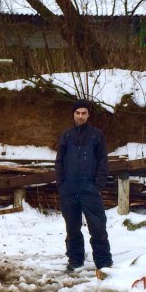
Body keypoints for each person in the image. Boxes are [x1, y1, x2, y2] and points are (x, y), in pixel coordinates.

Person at [55, 99, 112, 273]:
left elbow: (103, 161)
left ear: (88, 115)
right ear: (73, 115)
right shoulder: (66, 136)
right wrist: (62, 184)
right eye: (77, 113)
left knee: (97, 226)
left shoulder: (96, 135)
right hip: (69, 189)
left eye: (84, 113)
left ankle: (103, 261)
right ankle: (75, 259)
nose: (80, 116)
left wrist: (97, 185)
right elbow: (59, 162)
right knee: (72, 227)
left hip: (89, 188)